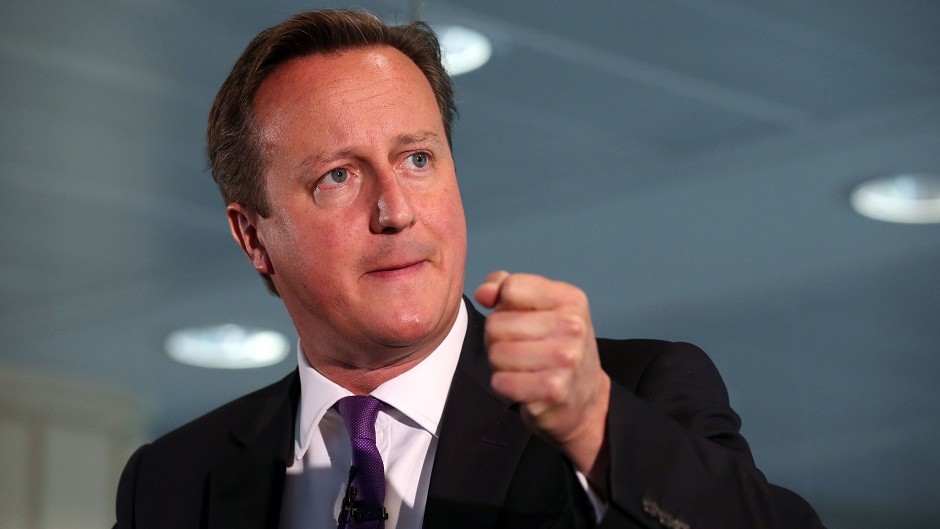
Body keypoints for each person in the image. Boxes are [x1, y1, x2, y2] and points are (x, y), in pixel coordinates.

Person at [114, 9, 824, 529]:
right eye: (337, 176)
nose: (396, 209)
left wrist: (593, 425)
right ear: (253, 236)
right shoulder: (175, 482)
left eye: (417, 159)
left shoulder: (630, 397)